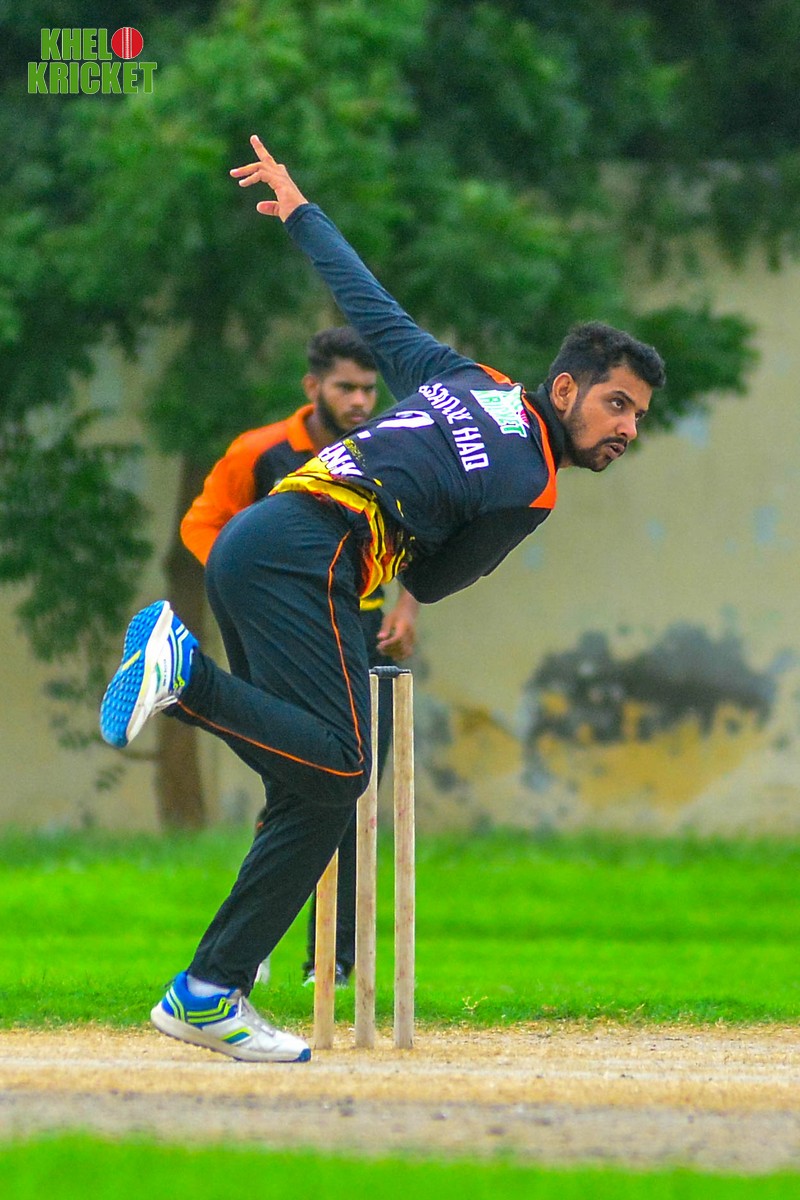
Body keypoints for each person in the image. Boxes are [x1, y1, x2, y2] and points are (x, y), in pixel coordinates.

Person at [99, 134, 665, 1064]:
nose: (627, 428)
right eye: (616, 405)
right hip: (313, 555)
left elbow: (370, 305)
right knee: (341, 768)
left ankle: (206, 992)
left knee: (311, 790)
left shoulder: (471, 381)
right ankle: (184, 676)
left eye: (638, 415)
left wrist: (300, 211)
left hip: (256, 539)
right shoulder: (532, 486)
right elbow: (432, 581)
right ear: (566, 387)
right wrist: (431, 532)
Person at [180, 325, 419, 988]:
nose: (359, 401)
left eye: (369, 389)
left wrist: (408, 607)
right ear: (313, 386)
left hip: (360, 626)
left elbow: (416, 536)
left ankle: (332, 960)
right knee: (296, 784)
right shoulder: (260, 451)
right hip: (282, 629)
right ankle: (252, 942)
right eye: (345, 387)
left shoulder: (385, 449)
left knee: (351, 788)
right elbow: (202, 523)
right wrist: (256, 590)